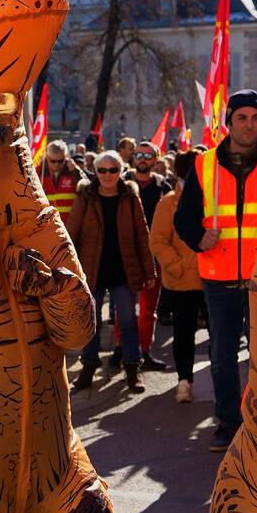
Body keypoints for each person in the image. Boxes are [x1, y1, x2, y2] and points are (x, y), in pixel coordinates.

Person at [174, 89, 257, 452]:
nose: (249, 124)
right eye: (242, 117)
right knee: (223, 355)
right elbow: (184, 218)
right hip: (219, 275)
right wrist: (200, 238)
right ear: (228, 122)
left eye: (255, 118)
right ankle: (228, 423)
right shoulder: (204, 164)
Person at [66, 149, 156, 394]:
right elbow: (71, 234)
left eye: (113, 170)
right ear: (95, 172)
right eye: (102, 170)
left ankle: (131, 368)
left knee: (127, 321)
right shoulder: (85, 196)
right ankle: (88, 366)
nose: (107, 175)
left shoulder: (129, 196)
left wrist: (149, 272)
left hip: (124, 271)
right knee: (90, 322)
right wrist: (67, 269)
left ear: (120, 171)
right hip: (91, 271)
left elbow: (142, 235)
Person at [149, 150, 206, 402]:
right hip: (181, 281)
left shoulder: (214, 200)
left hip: (213, 279)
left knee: (220, 335)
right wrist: (178, 266)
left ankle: (220, 384)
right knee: (184, 334)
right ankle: (184, 381)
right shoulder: (168, 203)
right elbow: (158, 241)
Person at [126, 140, 171, 371]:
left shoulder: (163, 186)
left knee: (147, 310)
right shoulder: (121, 182)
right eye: (139, 155)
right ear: (133, 158)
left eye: (148, 155)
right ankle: (122, 350)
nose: (142, 159)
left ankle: (144, 351)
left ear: (156, 159)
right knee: (122, 309)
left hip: (154, 257)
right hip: (126, 255)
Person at [40, 139, 82, 222]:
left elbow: (86, 189)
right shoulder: (38, 172)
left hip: (70, 224)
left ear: (65, 157)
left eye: (60, 161)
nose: (56, 164)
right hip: (47, 226)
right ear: (47, 158)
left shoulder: (73, 170)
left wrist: (76, 172)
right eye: (53, 161)